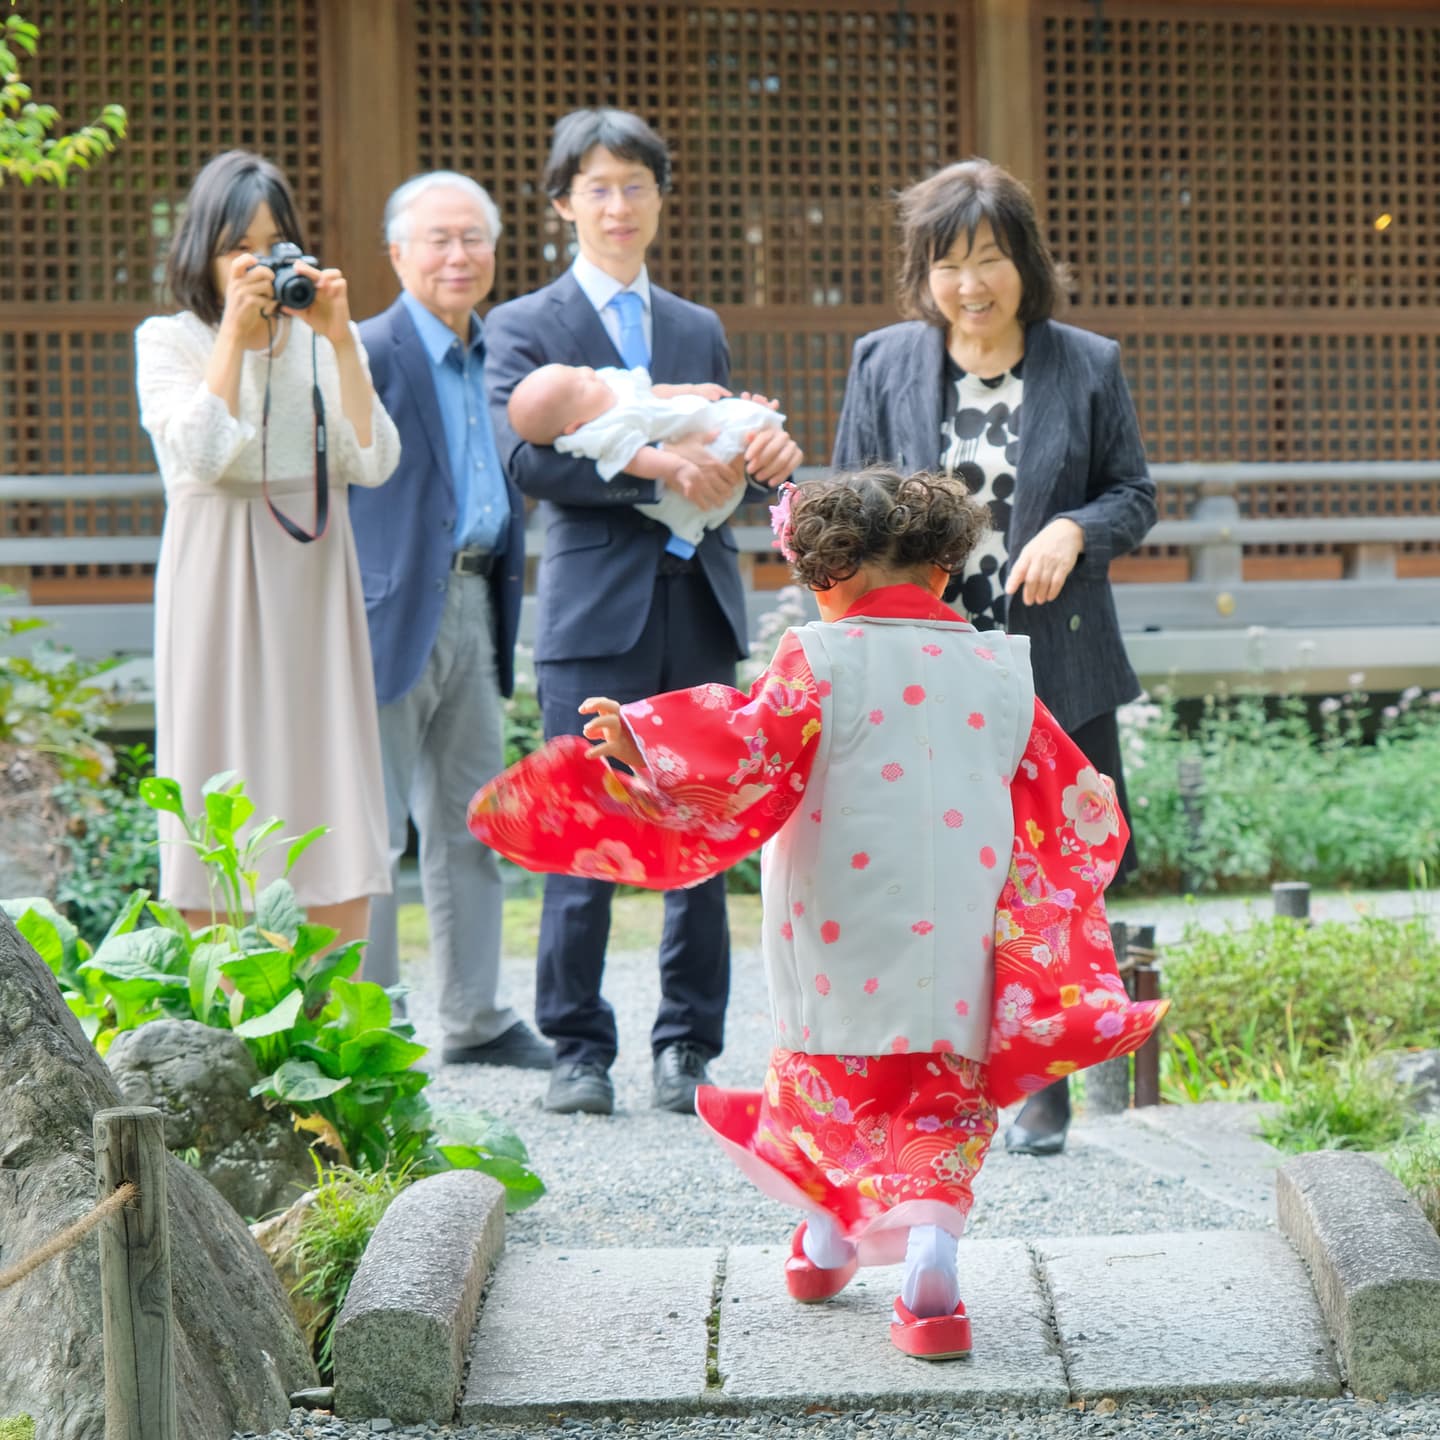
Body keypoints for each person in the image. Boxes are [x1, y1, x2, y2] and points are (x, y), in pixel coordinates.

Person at [466, 468, 1168, 1359]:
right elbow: (1074, 794)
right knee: (936, 1099)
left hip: (839, 919)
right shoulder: (999, 667)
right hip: (959, 926)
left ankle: (830, 1240)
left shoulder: (819, 657)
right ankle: (931, 1270)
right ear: (944, 571)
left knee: (829, 1084)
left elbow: (744, 742)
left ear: (823, 578)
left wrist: (645, 740)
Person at [831, 158, 1157, 1157]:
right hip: (925, 664)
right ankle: (937, 1072)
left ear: (1026, 261)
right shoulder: (882, 360)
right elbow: (849, 499)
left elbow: (1133, 496)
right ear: (922, 274)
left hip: (1053, 664)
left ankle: (1045, 1077)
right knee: (934, 873)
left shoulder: (1086, 363)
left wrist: (1074, 530)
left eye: (988, 259)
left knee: (1054, 869)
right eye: (947, 265)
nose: (970, 286)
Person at [484, 107, 803, 1116]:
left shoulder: (696, 325)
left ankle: (688, 1045)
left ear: (661, 200)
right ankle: (577, 1046)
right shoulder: (527, 326)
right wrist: (660, 468)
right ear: (564, 205)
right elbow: (526, 459)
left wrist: (764, 469)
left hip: (701, 600)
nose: (617, 206)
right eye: (598, 188)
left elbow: (732, 456)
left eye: (635, 186)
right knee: (584, 816)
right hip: (595, 609)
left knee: (701, 822)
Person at [135, 149, 398, 947]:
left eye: (273, 242)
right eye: (236, 246)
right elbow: (202, 454)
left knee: (327, 768)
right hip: (215, 571)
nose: (257, 262)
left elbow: (375, 461)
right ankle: (218, 1020)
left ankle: (328, 1014)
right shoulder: (168, 339)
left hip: (311, 577)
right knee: (216, 763)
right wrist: (236, 344)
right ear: (200, 251)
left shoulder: (317, 340)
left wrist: (342, 341)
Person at [349, 172, 552, 1069]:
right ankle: (374, 1019)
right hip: (389, 609)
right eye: (437, 239)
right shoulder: (365, 349)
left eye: (473, 238)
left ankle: (474, 1016)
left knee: (472, 819)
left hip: (482, 596)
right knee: (377, 825)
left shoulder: (498, 354)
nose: (457, 255)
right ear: (398, 252)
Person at [507, 361, 786, 549]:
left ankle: (761, 426)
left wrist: (691, 390)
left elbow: (653, 392)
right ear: (574, 426)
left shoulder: (612, 385)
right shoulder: (601, 431)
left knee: (744, 423)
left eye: (578, 370)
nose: (587, 373)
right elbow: (635, 458)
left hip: (694, 421)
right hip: (685, 484)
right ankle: (756, 424)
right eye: (581, 386)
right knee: (737, 431)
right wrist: (675, 466)